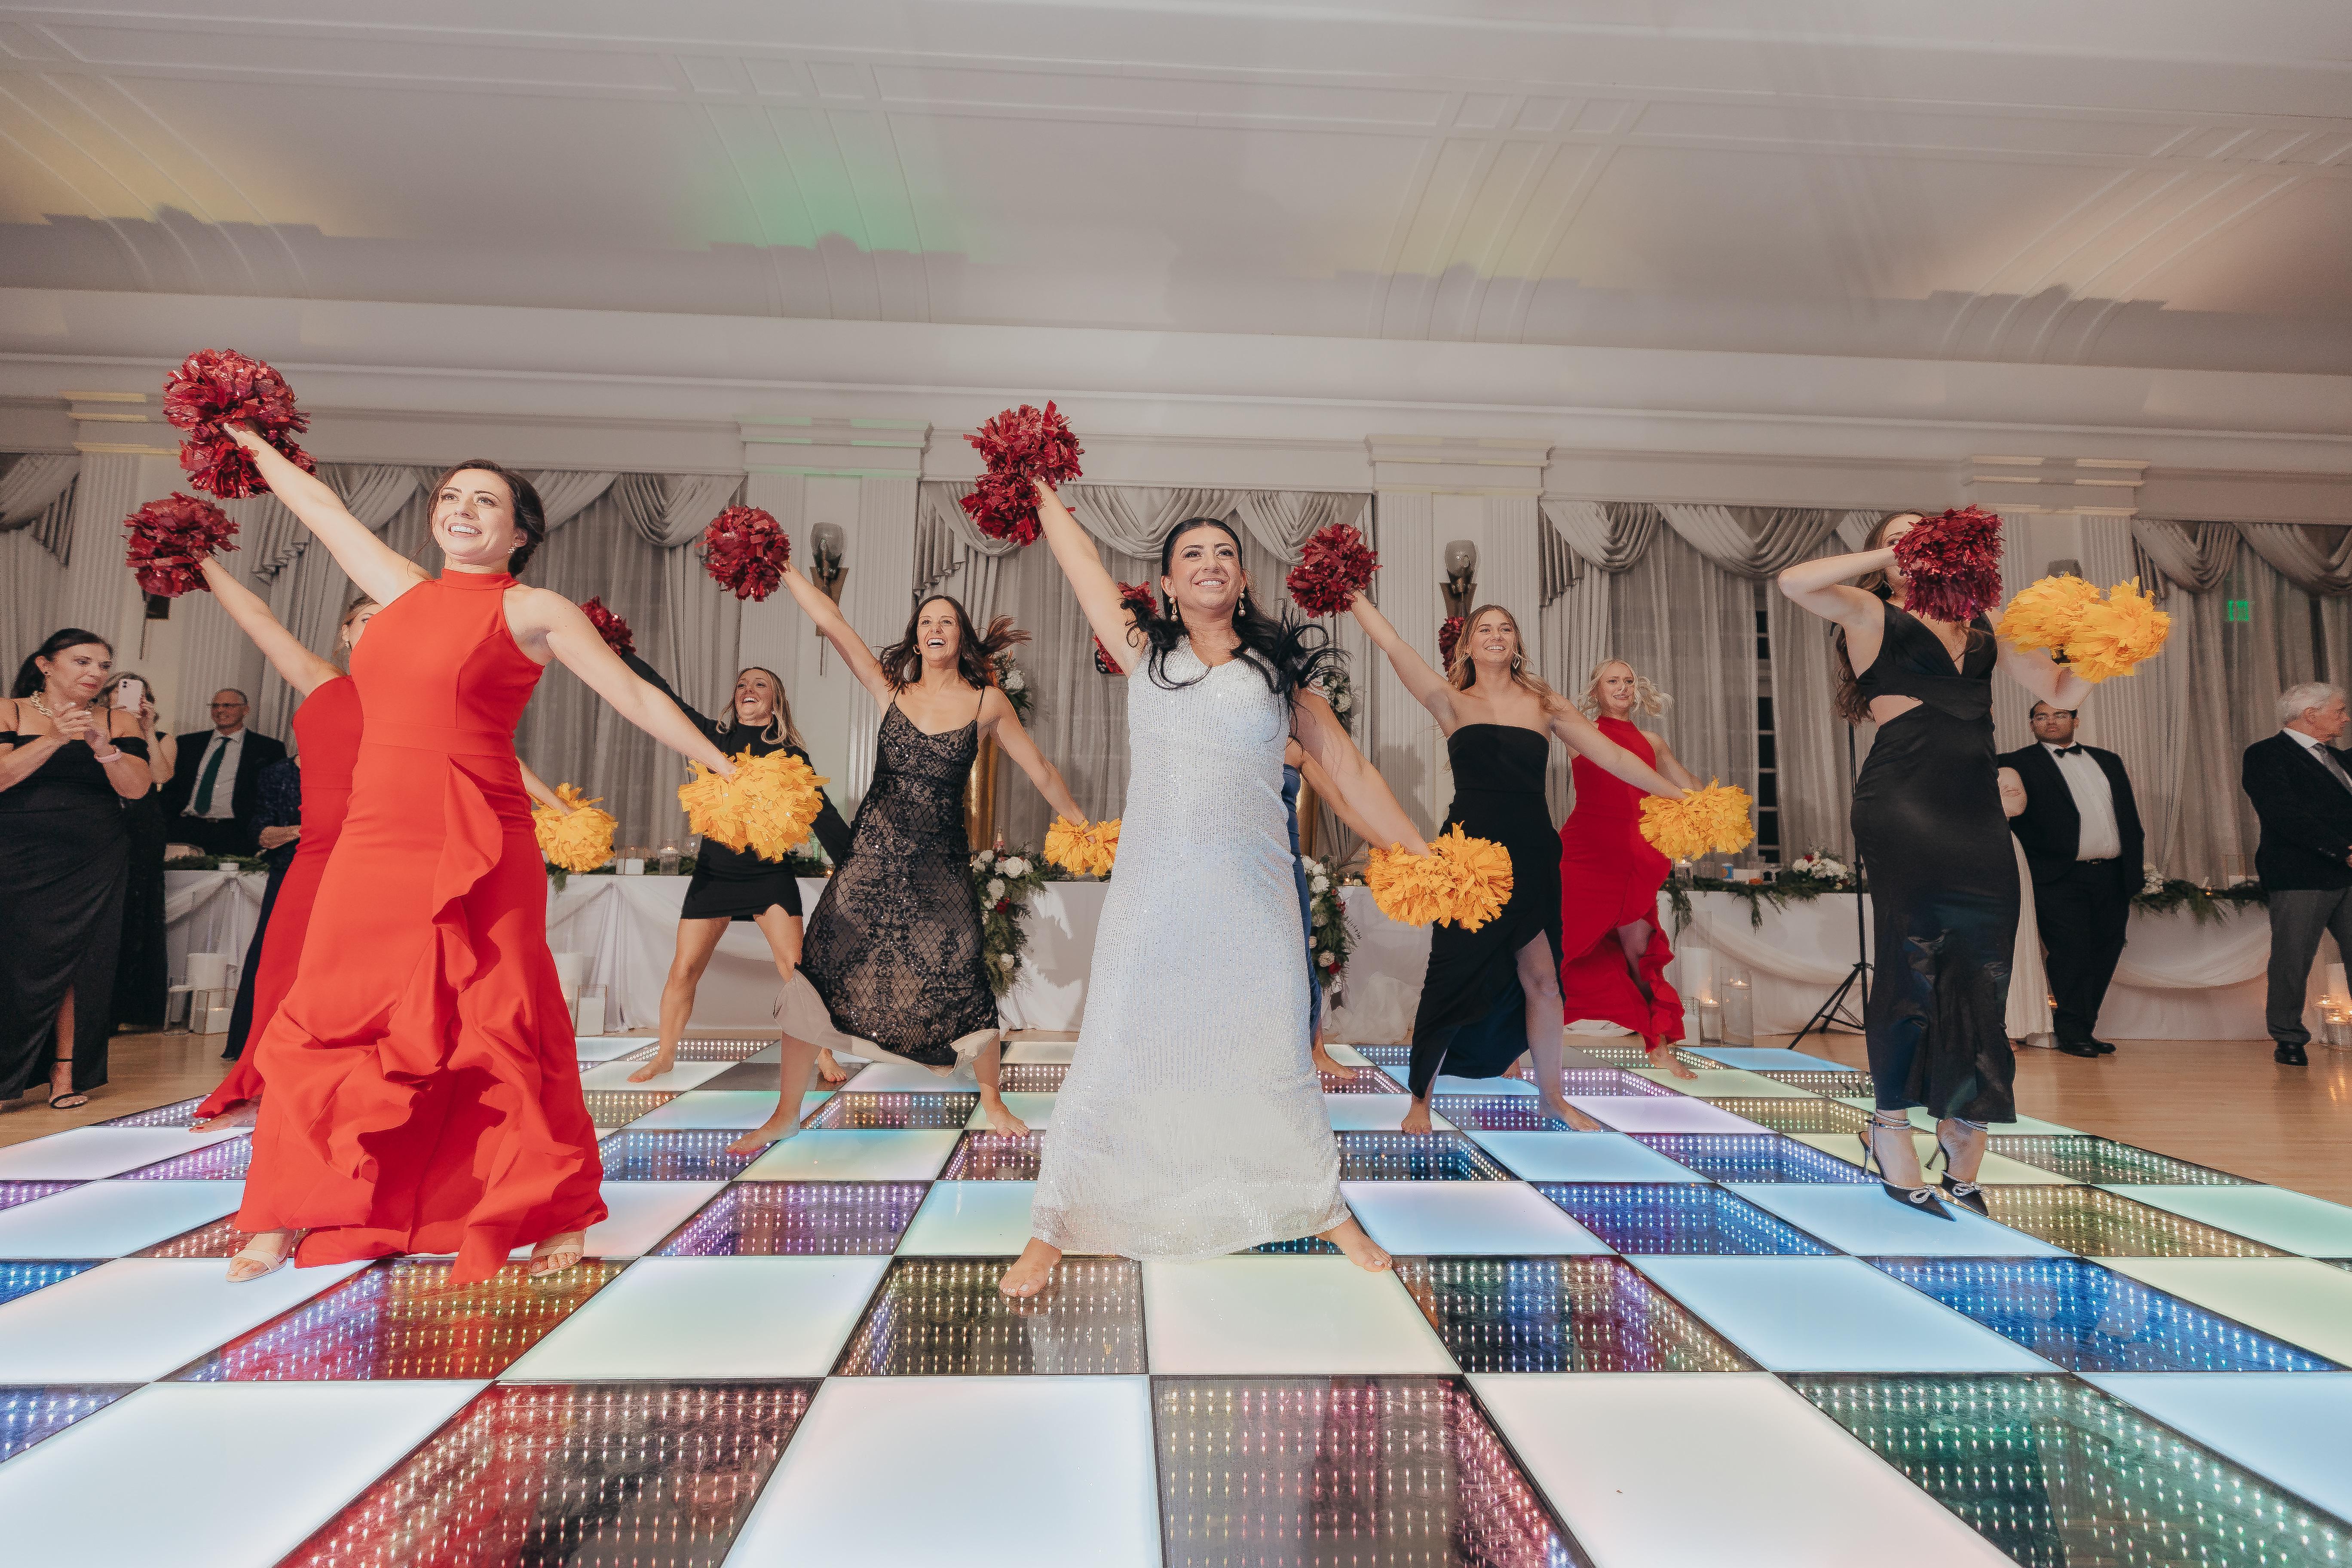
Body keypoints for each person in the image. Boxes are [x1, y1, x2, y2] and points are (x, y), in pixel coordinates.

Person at [217, 428, 747, 1285]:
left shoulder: (535, 610)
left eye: (485, 500)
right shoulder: (399, 588)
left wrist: (724, 766)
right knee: (328, 1011)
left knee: (503, 1016)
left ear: (519, 532)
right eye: (451, 497)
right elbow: (319, 508)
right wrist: (250, 440)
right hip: (375, 838)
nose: (462, 510)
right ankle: (279, 1212)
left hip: (480, 836)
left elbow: (632, 694)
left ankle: (554, 1208)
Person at [1003, 484, 1436, 1299]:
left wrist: (1424, 857)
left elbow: (1350, 776)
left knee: (1273, 1054)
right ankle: (1057, 1220)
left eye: (1225, 553)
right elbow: (1083, 565)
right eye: (1192, 554)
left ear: (1242, 580)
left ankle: (1320, 1204)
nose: (1211, 563)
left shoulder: (1279, 680)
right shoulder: (1144, 655)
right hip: (1152, 899)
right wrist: (1040, 489)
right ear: (1167, 583)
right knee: (1117, 1048)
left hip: (1253, 902)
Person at [1778, 511, 2088, 1217]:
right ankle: (1888, 1124)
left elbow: (2062, 690)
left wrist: (2104, 649)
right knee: (1911, 960)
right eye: (1900, 537)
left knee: (1983, 964)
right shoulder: (1868, 611)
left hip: (1975, 806)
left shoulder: (1983, 622)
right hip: (1903, 800)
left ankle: (1963, 1119)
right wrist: (1895, 552)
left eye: (1926, 533)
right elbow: (1794, 581)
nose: (1916, 543)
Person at [1348, 600, 1688, 1131]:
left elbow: (1614, 757)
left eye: (1505, 628)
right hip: (1471, 863)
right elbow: (1392, 645)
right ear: (1468, 645)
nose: (1496, 635)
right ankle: (1420, 1101)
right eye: (1485, 629)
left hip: (1533, 855)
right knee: (1450, 978)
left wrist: (1679, 797)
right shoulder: (1450, 701)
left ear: (1516, 643)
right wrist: (1351, 594)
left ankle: (1552, 1098)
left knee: (1545, 981)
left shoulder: (1544, 704)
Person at [769, 575, 1083, 1142]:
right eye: (927, 622)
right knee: (816, 969)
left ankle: (993, 1101)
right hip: (870, 859)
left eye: (947, 622)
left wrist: (1084, 828)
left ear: (961, 637)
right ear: (916, 639)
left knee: (966, 975)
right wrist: (788, 569)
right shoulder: (891, 689)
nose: (936, 629)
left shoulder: (988, 703)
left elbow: (1040, 769)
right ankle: (785, 1112)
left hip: (940, 865)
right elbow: (834, 623)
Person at [618, 655, 854, 1151]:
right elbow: (664, 698)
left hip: (768, 874)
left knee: (797, 971)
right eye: (743, 683)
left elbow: (823, 816)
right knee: (684, 969)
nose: (749, 688)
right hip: (715, 872)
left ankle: (824, 1054)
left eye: (760, 684)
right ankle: (665, 1054)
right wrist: (622, 652)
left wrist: (858, 868)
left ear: (776, 701)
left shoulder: (791, 755)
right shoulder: (711, 738)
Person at [187, 573, 377, 1163]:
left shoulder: (423, 699)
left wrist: (555, 809)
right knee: (283, 971)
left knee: (368, 980)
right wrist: (202, 558)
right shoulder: (321, 680)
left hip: (382, 855)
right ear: (344, 633)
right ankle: (267, 1081)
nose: (380, 631)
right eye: (367, 620)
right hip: (316, 856)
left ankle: (358, 1089)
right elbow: (258, 620)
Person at [1, 630, 153, 1109]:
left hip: (94, 856)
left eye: (103, 665)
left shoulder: (117, 719)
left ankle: (65, 1072)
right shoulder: (8, 711)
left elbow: (137, 789)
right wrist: (53, 737)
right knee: (15, 960)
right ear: (46, 665)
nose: (95, 673)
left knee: (78, 962)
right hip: (17, 853)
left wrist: (105, 748)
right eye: (82, 661)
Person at [1559, 658, 1706, 1081]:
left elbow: (1691, 790)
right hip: (1586, 855)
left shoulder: (1652, 742)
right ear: (1596, 691)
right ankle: (1508, 1046)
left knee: (1639, 953)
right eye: (1613, 681)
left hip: (1636, 858)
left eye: (1628, 681)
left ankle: (1659, 1048)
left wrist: (1706, 802)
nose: (1623, 688)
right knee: (1555, 949)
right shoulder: (1582, 733)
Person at [1998, 701, 2143, 1058]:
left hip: (2112, 873)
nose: (2051, 721)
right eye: (2042, 716)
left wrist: (2133, 870)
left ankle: (2083, 1028)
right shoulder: (2015, 763)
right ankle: (2072, 1031)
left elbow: (2127, 815)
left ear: (2075, 721)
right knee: (2070, 953)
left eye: (2060, 715)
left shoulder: (2108, 760)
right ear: (2032, 724)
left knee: (2106, 949)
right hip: (2057, 876)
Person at [2241, 681, 2352, 1069]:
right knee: (2293, 958)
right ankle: (2288, 1037)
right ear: (2310, 715)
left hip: (2347, 875)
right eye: (2339, 711)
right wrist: (2343, 850)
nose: (2345, 718)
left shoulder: (2339, 758)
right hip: (2301, 874)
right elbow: (2283, 813)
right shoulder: (2266, 754)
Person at [96, 670, 174, 1031]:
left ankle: (131, 1008)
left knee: (138, 906)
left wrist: (146, 730)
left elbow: (161, 776)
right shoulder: (92, 728)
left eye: (134, 693)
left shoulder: (162, 737)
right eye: (117, 691)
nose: (124, 697)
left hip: (142, 823)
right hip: (101, 816)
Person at [159, 686, 285, 856]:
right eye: (215, 706)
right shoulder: (187, 743)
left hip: (237, 832)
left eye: (228, 706)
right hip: (186, 828)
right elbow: (171, 786)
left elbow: (276, 794)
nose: (220, 710)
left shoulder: (269, 749)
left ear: (245, 710)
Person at [1996, 765, 2055, 1048]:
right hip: (1964, 853)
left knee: (2013, 936)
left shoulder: (2003, 772)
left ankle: (2011, 1025)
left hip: (2000, 848)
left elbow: (2015, 806)